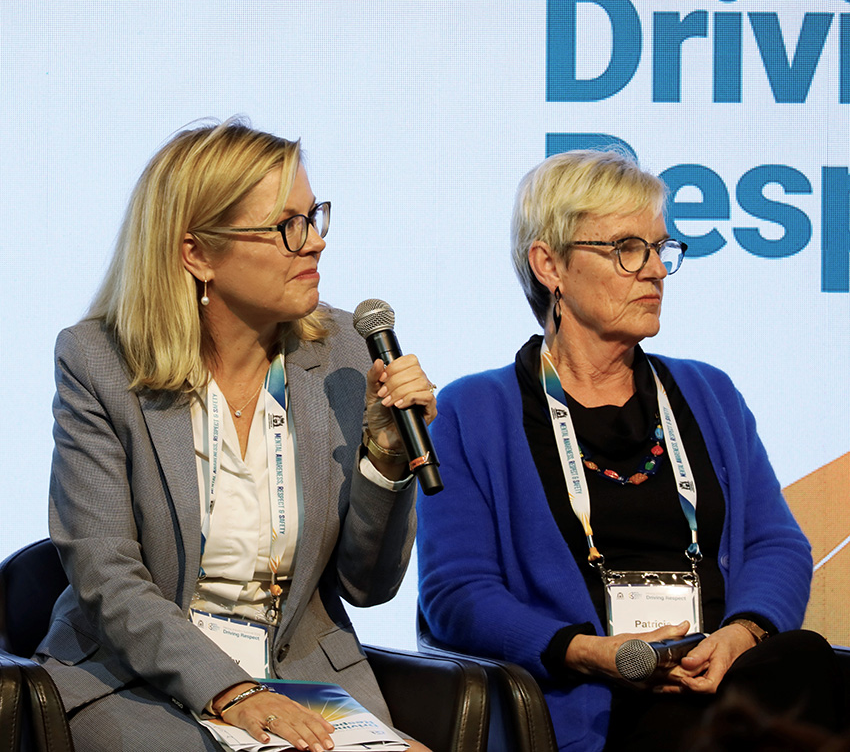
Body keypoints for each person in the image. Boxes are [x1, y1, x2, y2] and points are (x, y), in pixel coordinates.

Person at [417, 149, 843, 751]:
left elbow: (777, 544)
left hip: (722, 684)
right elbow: (455, 594)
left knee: (802, 658)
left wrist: (743, 634)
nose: (655, 271)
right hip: (589, 706)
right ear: (550, 265)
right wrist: (591, 654)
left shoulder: (708, 393)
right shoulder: (472, 412)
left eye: (660, 248)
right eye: (626, 249)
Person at [35, 120, 434, 752]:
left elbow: (368, 586)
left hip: (297, 673)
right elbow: (108, 575)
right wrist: (234, 693)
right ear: (197, 253)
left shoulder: (346, 356)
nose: (316, 245)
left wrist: (386, 460)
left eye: (315, 217)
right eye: (287, 227)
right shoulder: (98, 361)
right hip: (136, 676)